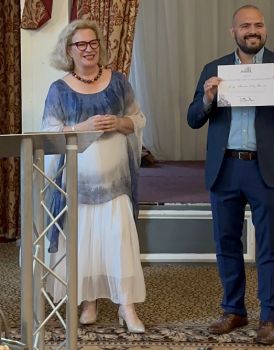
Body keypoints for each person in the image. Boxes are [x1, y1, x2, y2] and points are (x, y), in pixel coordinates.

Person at [187, 5, 274, 345]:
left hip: (265, 169)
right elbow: (193, 118)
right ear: (234, 32)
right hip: (225, 167)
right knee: (226, 243)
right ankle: (234, 310)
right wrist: (208, 99)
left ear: (264, 29)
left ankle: (268, 318)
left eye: (257, 25)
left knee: (270, 246)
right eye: (245, 26)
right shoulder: (214, 68)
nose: (252, 30)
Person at [41, 19, 146, 333]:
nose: (88, 49)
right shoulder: (58, 90)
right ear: (69, 51)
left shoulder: (119, 82)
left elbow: (138, 121)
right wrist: (81, 129)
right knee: (84, 244)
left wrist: (118, 122)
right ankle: (89, 301)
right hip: (76, 185)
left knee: (118, 242)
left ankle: (127, 307)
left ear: (100, 46)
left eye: (93, 43)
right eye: (81, 45)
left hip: (116, 184)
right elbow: (48, 134)